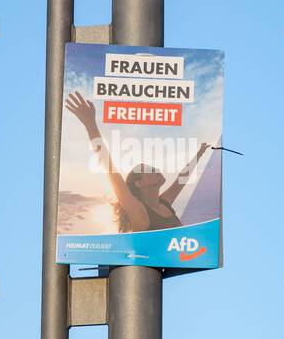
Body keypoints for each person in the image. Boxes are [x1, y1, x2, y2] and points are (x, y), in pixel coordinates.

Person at [65, 90, 209, 233]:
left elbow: (181, 179)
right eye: (150, 170)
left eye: (154, 168)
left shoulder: (164, 203)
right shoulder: (140, 212)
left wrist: (199, 154)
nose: (156, 170)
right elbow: (110, 169)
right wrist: (90, 124)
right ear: (139, 183)